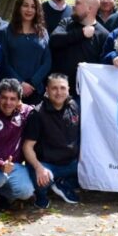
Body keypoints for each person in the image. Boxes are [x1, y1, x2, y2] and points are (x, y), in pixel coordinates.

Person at [0, 78, 37, 211]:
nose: (8, 102)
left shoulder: (23, 112)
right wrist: (0, 164)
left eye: (13, 99)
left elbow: (36, 110)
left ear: (18, 101)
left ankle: (2, 195)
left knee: (26, 192)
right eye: (4, 98)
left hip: (14, 166)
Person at [23, 73, 83, 207]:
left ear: (68, 89)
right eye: (54, 88)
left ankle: (62, 182)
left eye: (62, 88)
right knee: (44, 180)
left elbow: (80, 136)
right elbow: (27, 147)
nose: (59, 92)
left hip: (70, 164)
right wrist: (39, 168)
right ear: (47, 90)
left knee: (94, 171)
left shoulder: (74, 106)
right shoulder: (37, 113)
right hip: (46, 165)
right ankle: (42, 195)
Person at [49, 0, 110, 92]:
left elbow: (104, 68)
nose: (73, 6)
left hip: (87, 92)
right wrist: (81, 33)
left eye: (77, 3)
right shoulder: (66, 23)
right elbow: (54, 40)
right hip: (59, 91)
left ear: (89, 9)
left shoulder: (104, 35)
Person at [0, 0, 52, 104]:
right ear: (19, 7)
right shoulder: (6, 32)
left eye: (33, 7)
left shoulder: (42, 32)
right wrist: (20, 83)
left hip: (36, 91)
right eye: (25, 5)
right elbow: (4, 61)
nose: (29, 10)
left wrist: (32, 83)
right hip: (11, 91)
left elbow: (47, 61)